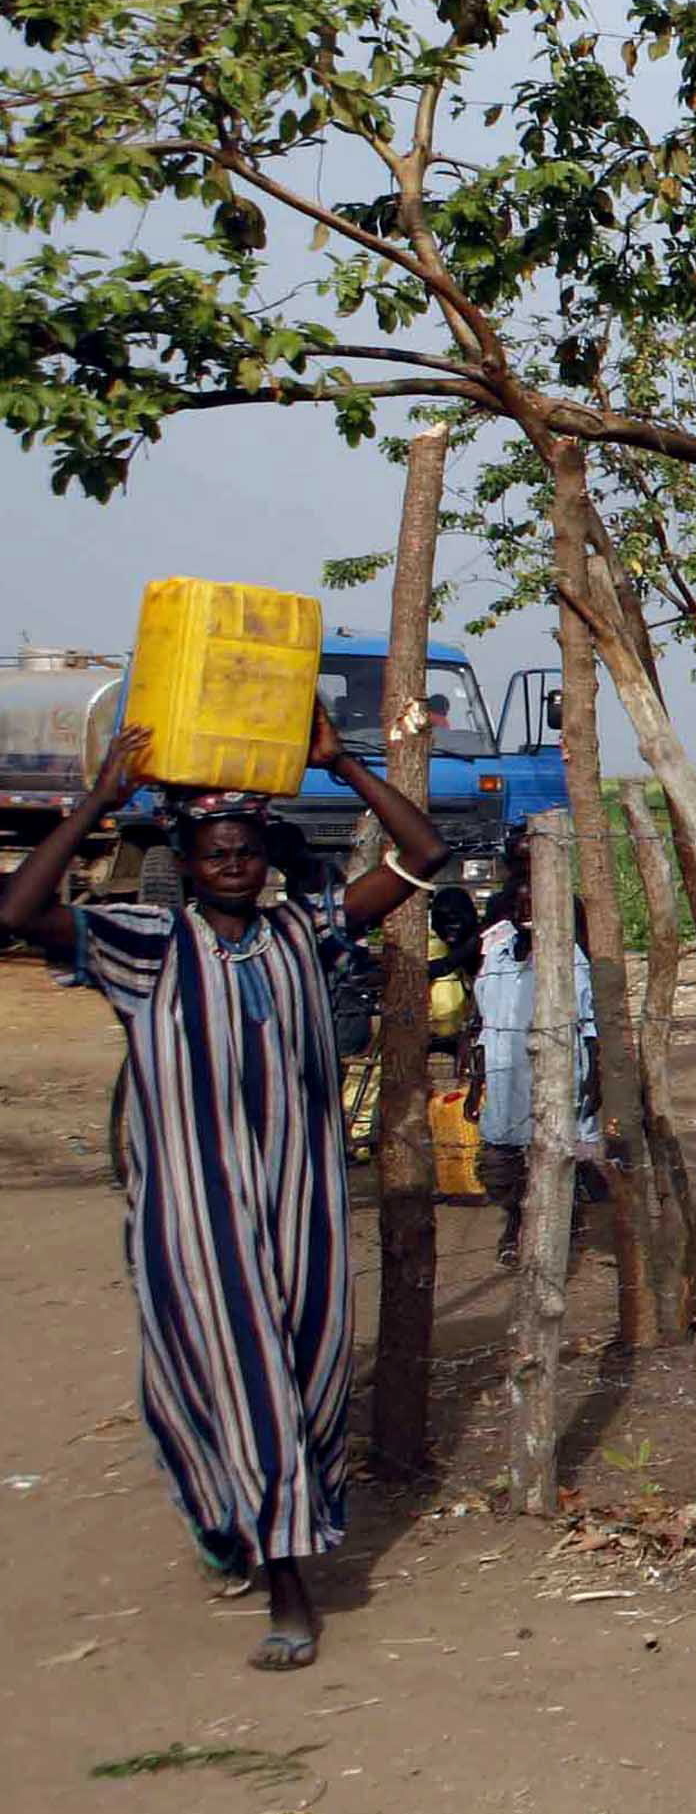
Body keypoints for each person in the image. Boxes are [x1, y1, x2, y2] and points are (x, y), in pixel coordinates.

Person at [1, 709, 450, 1668]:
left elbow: (425, 852)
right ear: (189, 861)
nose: (234, 865)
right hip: (194, 1214)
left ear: (267, 858)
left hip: (306, 1208)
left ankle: (229, 1520)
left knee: (312, 1383)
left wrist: (343, 764)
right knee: (248, 1383)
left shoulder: (305, 929)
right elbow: (15, 912)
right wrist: (97, 802)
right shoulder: (144, 945)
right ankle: (293, 1591)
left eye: (247, 850)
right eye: (215, 852)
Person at [468, 843, 599, 1257]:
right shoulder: (497, 956)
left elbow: (589, 1020)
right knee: (500, 1164)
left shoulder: (568, 957)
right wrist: (475, 1082)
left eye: (534, 905)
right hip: (504, 1069)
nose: (526, 913)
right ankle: (515, 1216)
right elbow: (484, 1021)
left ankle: (548, 1226)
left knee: (554, 1150)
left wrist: (595, 1075)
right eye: (520, 905)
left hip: (553, 1068)